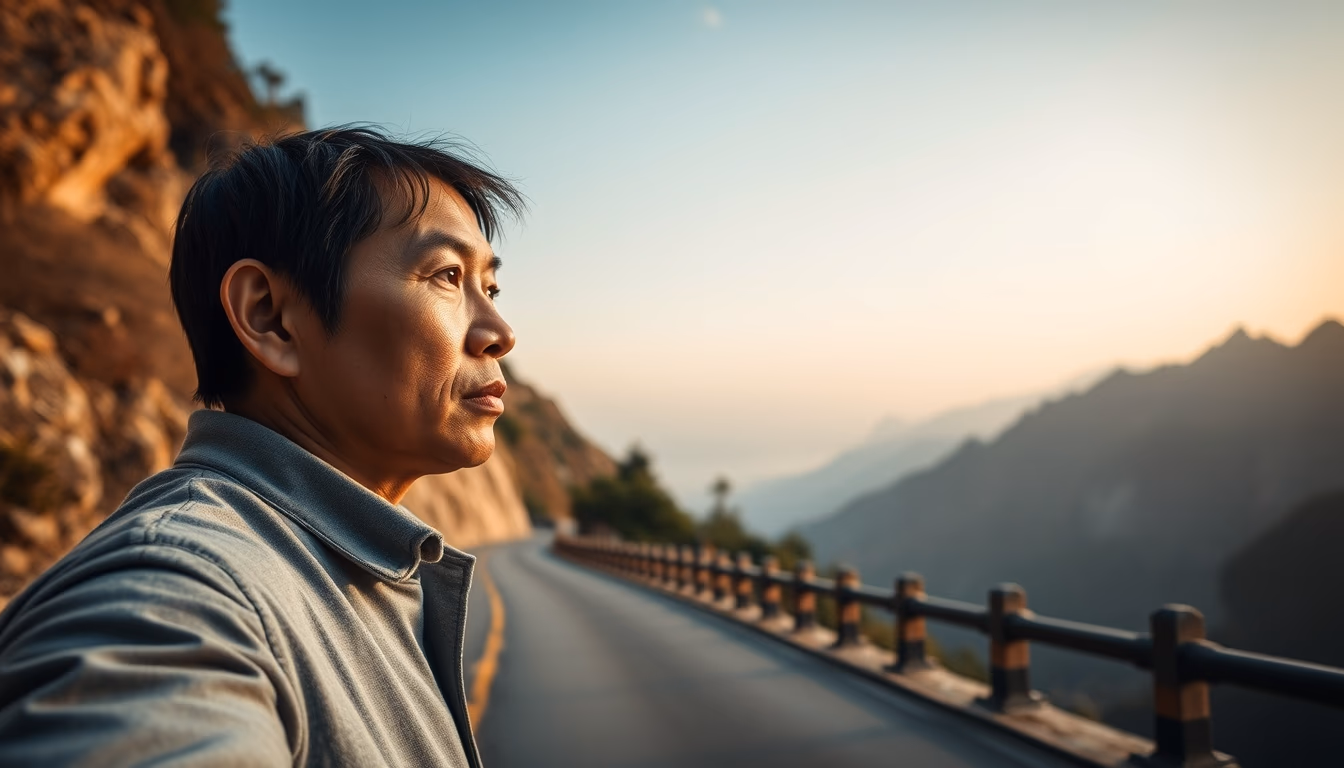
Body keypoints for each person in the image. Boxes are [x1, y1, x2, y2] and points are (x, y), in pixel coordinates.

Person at [0, 126, 523, 766]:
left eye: (489, 287)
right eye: (447, 274)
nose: (500, 331)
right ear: (270, 316)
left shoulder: (340, 566)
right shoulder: (178, 592)